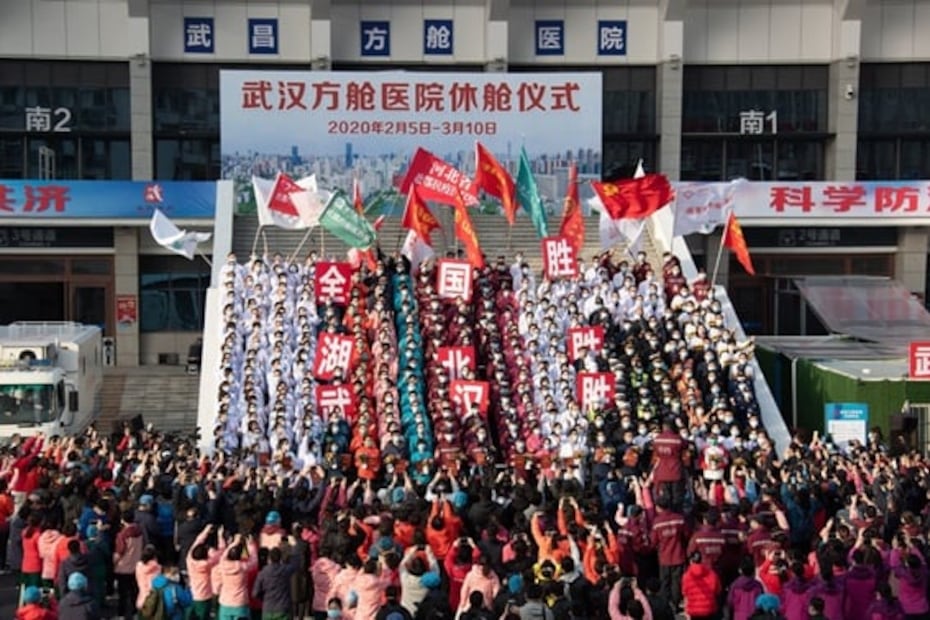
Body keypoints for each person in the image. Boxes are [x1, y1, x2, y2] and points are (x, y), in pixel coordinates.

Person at [252, 545, 299, 620]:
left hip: (268, 609)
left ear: (269, 559)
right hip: (283, 608)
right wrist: (291, 552)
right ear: (280, 558)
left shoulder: (263, 573)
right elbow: (296, 564)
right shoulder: (285, 570)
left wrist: (264, 598)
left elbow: (255, 593)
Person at [681, 552, 721, 620]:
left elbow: (685, 594)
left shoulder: (686, 576)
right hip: (709, 609)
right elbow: (718, 591)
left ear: (691, 561)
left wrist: (686, 611)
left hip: (694, 610)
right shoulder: (712, 574)